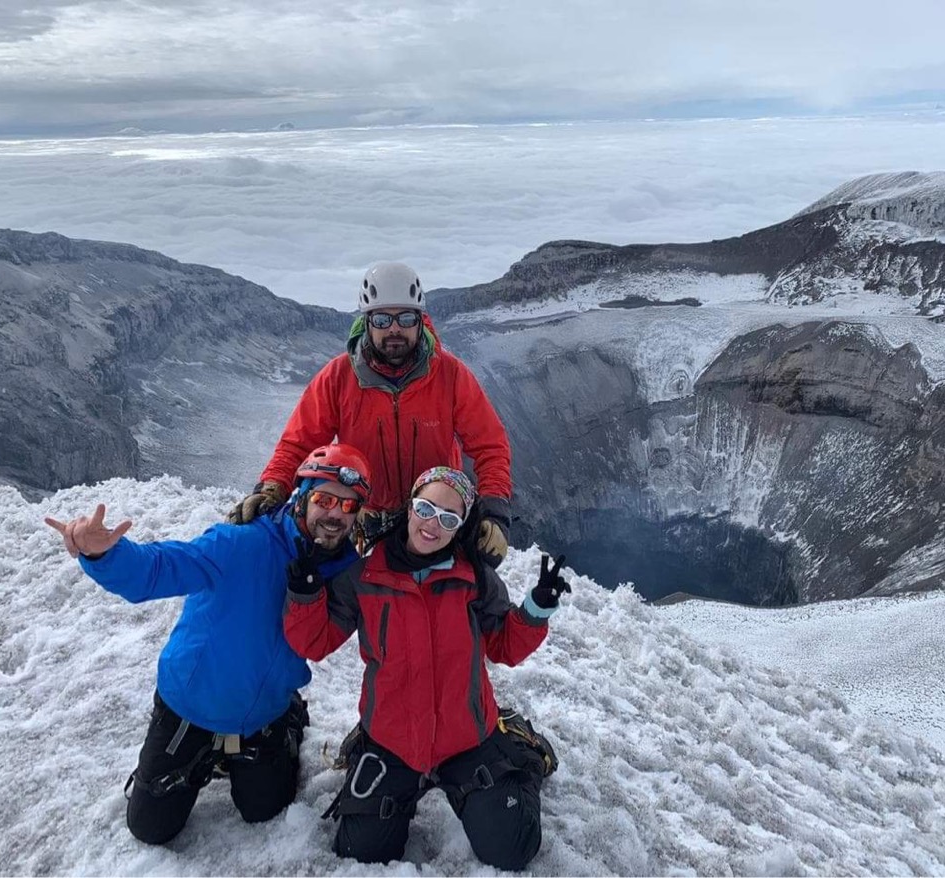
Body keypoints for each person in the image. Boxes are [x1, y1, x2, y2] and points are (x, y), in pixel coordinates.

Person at [44, 444, 371, 846]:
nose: (336, 514)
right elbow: (159, 568)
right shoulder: (239, 544)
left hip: (262, 714)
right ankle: (206, 753)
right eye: (324, 499)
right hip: (189, 707)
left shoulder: (343, 572)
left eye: (349, 506)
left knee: (265, 809)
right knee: (150, 827)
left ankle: (287, 719)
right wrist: (104, 555)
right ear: (300, 496)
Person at [283, 466, 571, 870]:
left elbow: (504, 646)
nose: (434, 523)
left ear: (461, 526)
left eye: (449, 518)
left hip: (466, 737)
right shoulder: (364, 576)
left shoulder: (475, 579)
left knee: (513, 847)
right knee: (360, 851)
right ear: (410, 506)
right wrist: (305, 593)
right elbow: (314, 642)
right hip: (393, 740)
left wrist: (536, 608)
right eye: (426, 508)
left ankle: (519, 747)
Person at [228, 262, 513, 567]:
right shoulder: (338, 377)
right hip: (363, 517)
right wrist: (273, 486)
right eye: (381, 319)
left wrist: (494, 511)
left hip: (432, 517)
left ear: (420, 320)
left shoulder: (450, 375)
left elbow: (490, 447)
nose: (394, 329)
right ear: (366, 322)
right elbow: (299, 444)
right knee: (351, 602)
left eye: (405, 318)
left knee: (454, 599)